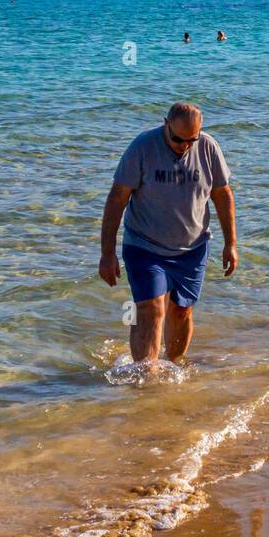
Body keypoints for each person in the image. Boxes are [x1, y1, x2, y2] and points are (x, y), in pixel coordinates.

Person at [98, 103, 237, 364]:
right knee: (151, 309)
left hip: (192, 248)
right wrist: (107, 254)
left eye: (191, 140)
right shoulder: (142, 147)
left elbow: (222, 195)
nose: (184, 146)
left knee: (181, 310)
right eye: (177, 139)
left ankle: (174, 367)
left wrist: (231, 243)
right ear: (166, 124)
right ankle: (146, 378)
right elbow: (117, 199)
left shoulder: (208, 147)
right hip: (145, 246)